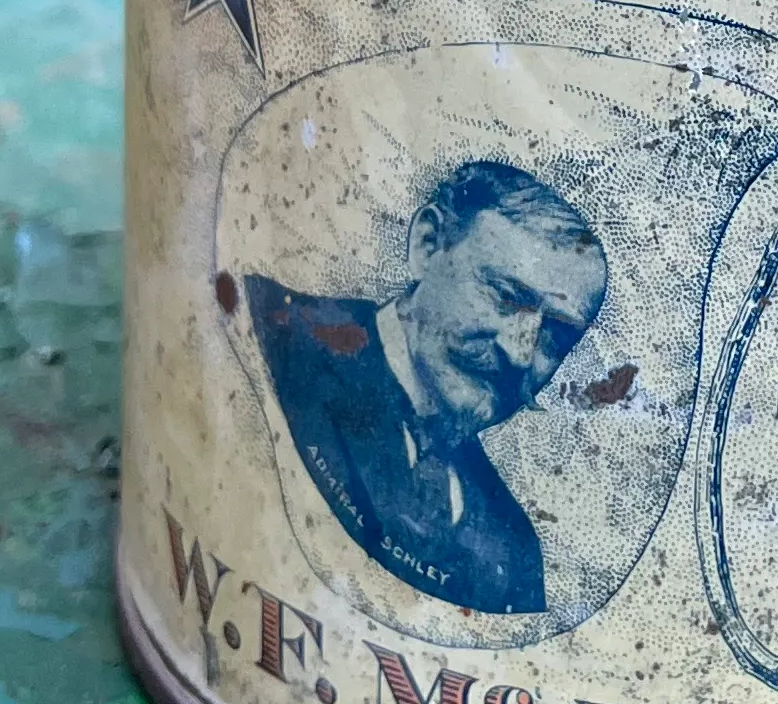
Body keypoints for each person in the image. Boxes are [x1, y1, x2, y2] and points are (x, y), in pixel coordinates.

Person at [244, 160, 607, 614]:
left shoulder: (511, 552)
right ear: (428, 246)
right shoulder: (274, 345)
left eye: (556, 336)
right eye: (507, 297)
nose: (519, 353)